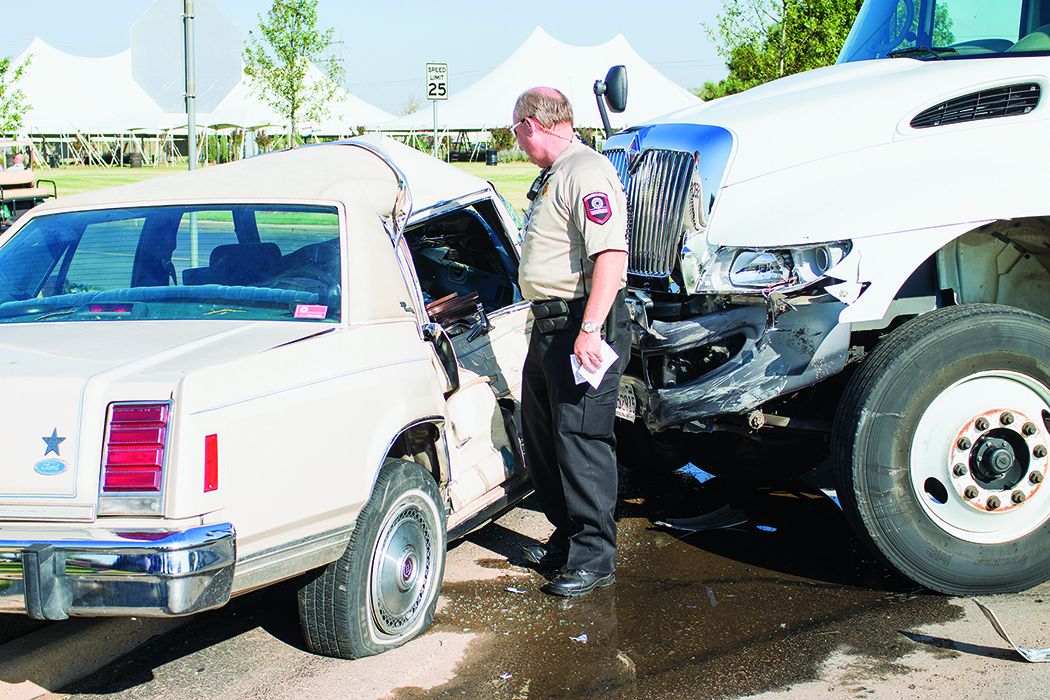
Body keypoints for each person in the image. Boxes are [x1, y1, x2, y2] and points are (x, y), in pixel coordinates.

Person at [512, 86, 630, 597]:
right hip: (550, 327)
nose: (515, 142)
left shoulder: (585, 171)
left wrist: (590, 329)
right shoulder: (557, 175)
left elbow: (611, 257)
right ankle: (568, 536)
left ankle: (594, 556)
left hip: (582, 325)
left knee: (581, 439)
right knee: (543, 434)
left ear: (532, 124)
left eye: (515, 131)